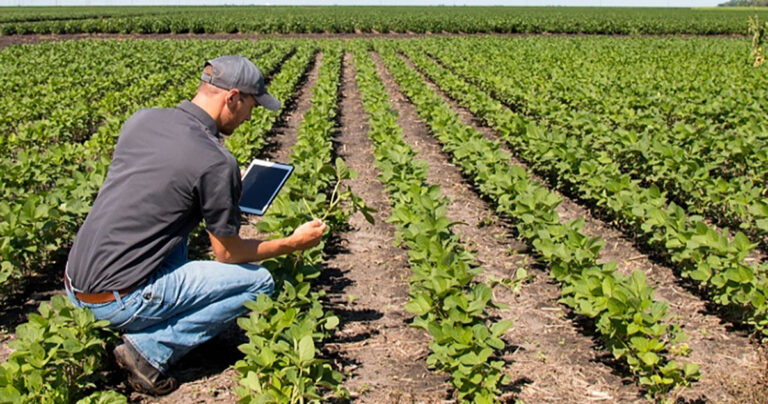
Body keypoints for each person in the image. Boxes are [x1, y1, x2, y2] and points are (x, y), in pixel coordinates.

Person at [63, 55, 326, 395]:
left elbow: (162, 187)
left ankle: (144, 314)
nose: (250, 116)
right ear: (232, 97)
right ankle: (149, 352)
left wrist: (223, 191)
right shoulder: (216, 161)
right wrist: (292, 242)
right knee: (258, 283)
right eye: (252, 106)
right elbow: (227, 255)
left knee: (177, 231)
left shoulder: (143, 119)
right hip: (117, 300)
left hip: (76, 283)